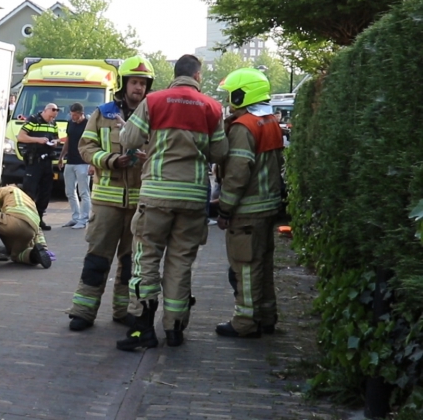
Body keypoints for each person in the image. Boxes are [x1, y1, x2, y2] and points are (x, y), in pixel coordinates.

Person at [116, 54, 228, 351]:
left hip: (156, 195)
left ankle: (143, 329)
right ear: (197, 76)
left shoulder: (154, 101)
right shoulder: (212, 107)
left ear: (174, 74)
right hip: (192, 197)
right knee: (181, 262)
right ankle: (175, 329)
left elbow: (129, 139)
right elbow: (220, 153)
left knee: (147, 258)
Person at [66, 56, 154, 331]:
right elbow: (86, 147)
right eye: (134, 82)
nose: (138, 88)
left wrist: (146, 156)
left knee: (131, 264)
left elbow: (162, 152)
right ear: (124, 83)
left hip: (139, 203)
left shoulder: (154, 116)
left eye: (143, 83)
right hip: (106, 203)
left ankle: (123, 311)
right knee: (97, 258)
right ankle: (83, 311)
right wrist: (110, 160)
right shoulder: (102, 114)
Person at [214, 68, 285, 338]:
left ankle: (245, 322)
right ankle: (267, 317)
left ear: (243, 93)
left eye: (231, 94)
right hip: (268, 208)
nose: (229, 100)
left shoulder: (243, 127)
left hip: (247, 212)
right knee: (263, 266)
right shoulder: (269, 122)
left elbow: (237, 173)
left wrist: (225, 208)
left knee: (244, 267)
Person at [0, 185, 52, 269]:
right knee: (17, 255)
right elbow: (38, 230)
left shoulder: (8, 189)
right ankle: (34, 255)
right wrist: (44, 248)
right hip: (30, 230)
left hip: (14, 221)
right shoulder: (30, 203)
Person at [16, 103, 60, 230]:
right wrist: (38, 140)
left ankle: (39, 218)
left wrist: (55, 142)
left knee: (46, 191)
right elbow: (21, 137)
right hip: (34, 161)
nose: (52, 119)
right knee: (30, 190)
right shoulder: (33, 120)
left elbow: (56, 138)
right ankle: (26, 219)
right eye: (51, 116)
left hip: (47, 161)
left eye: (54, 116)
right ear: (45, 111)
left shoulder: (53, 123)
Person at [58, 102, 90, 229]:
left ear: (81, 114)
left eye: (75, 115)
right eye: (71, 114)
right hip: (70, 161)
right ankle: (75, 217)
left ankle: (84, 219)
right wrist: (61, 157)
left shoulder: (88, 125)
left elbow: (92, 143)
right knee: (70, 191)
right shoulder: (70, 123)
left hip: (83, 162)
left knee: (84, 192)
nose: (72, 117)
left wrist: (92, 163)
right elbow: (68, 140)